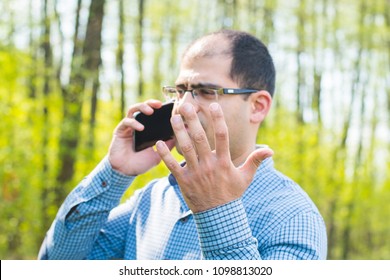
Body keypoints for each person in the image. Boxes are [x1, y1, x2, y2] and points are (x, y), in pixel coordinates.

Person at [38, 29, 327, 260]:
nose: (183, 107)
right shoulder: (151, 200)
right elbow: (58, 262)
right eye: (180, 91)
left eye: (205, 91)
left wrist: (215, 209)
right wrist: (114, 173)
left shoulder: (294, 217)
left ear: (258, 106)